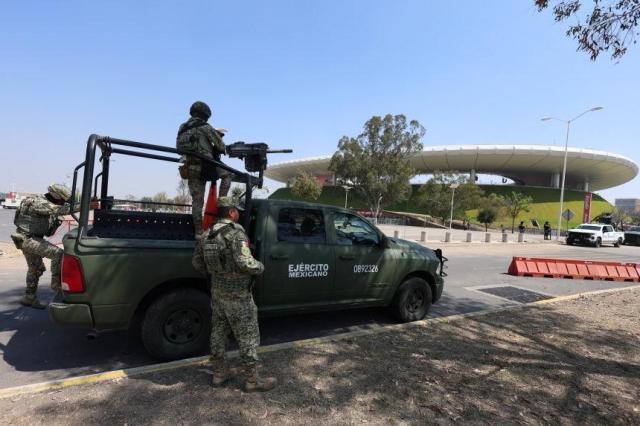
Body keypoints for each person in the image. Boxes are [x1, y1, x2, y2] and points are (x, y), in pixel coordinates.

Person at [194, 197, 277, 392]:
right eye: (237, 210)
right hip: (238, 295)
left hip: (217, 293)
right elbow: (246, 263)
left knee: (219, 333)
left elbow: (197, 264)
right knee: (247, 336)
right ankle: (252, 381)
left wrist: (218, 272)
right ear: (231, 212)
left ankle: (219, 374)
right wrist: (260, 266)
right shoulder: (236, 234)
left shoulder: (207, 235)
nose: (238, 213)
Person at [176, 101, 232, 239]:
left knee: (197, 201)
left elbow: (179, 149)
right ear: (205, 115)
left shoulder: (182, 127)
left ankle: (199, 232)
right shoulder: (205, 127)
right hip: (206, 165)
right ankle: (222, 206)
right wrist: (217, 136)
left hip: (190, 167)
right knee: (228, 175)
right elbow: (220, 146)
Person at [10, 184, 71, 309]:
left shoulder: (45, 203)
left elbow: (50, 225)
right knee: (57, 253)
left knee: (36, 269)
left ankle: (29, 297)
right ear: (55, 196)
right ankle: (56, 285)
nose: (61, 202)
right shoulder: (38, 202)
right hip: (27, 238)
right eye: (61, 200)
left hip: (30, 238)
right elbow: (58, 209)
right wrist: (84, 205)